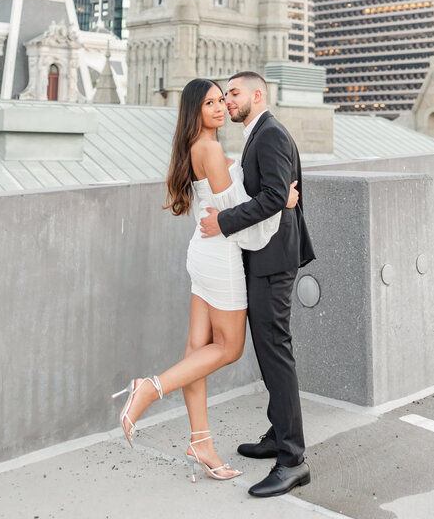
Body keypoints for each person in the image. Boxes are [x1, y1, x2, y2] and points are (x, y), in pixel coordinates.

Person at [111, 78, 299, 483]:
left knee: (197, 349)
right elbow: (236, 220)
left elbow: (221, 212)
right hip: (220, 256)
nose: (219, 108)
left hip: (201, 253)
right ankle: (149, 388)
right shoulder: (211, 149)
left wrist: (243, 211)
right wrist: (280, 201)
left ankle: (201, 442)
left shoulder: (192, 148)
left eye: (222, 100)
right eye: (210, 102)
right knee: (228, 349)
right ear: (195, 109)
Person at [199, 71, 315, 498]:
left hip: (273, 261)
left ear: (256, 94)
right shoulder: (256, 133)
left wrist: (222, 222)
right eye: (224, 95)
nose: (227, 101)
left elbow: (272, 196)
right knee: (268, 352)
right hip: (264, 256)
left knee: (275, 351)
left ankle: (293, 460)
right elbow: (274, 194)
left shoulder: (269, 134)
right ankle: (278, 432)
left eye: (233, 93)